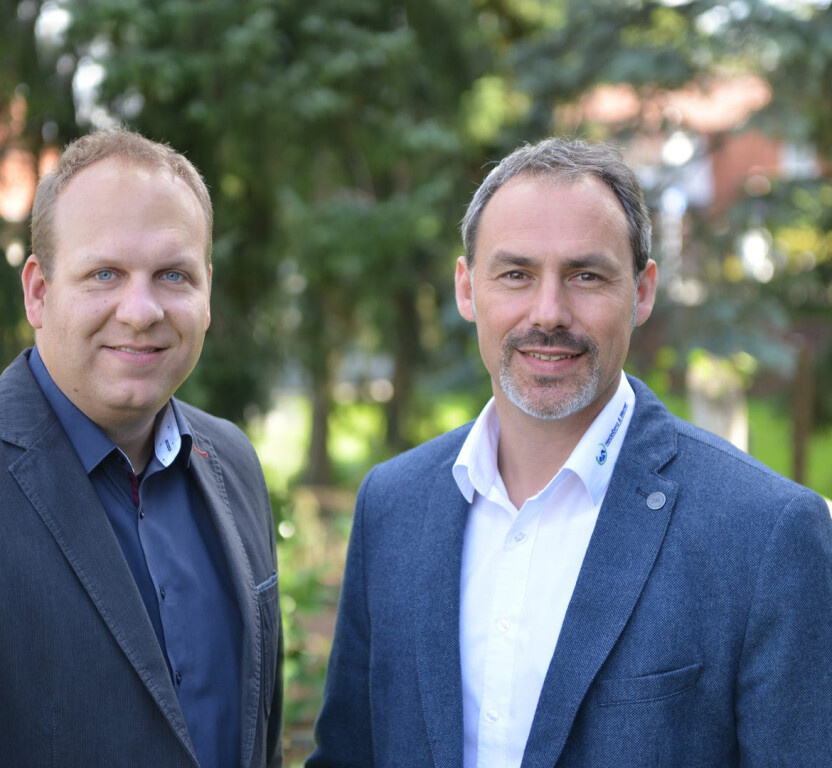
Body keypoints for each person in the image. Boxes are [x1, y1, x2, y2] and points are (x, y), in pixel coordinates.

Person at [308, 137, 832, 767]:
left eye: (586, 275)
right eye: (516, 274)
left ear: (641, 292)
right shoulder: (392, 506)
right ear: (467, 289)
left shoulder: (765, 533)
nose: (548, 312)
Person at [0, 127, 283, 768]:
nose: (142, 309)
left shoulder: (232, 464)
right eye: (105, 274)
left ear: (207, 295)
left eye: (173, 274)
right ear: (38, 291)